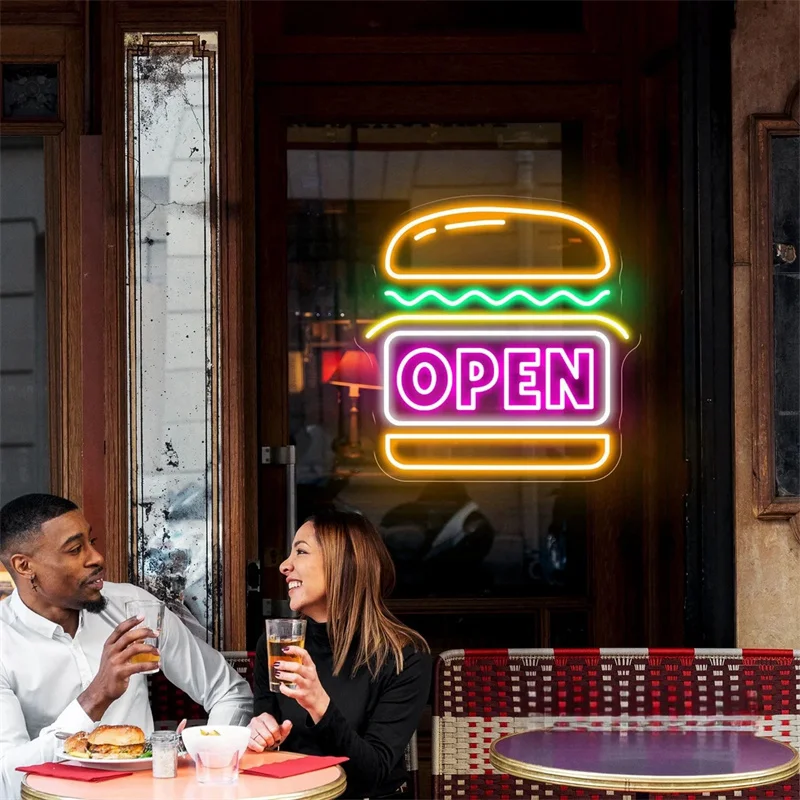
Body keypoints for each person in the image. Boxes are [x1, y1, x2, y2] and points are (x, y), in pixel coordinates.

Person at [0, 494, 253, 799]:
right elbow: (8, 778)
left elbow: (229, 691)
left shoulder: (134, 609)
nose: (96, 558)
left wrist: (209, 763)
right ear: (24, 566)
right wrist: (95, 697)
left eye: (91, 542)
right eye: (75, 549)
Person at [249, 509, 431, 799]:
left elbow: (371, 775)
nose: (284, 565)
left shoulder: (405, 657)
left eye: (301, 552)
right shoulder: (274, 646)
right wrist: (260, 735)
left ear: (342, 565)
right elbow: (266, 743)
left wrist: (319, 704)